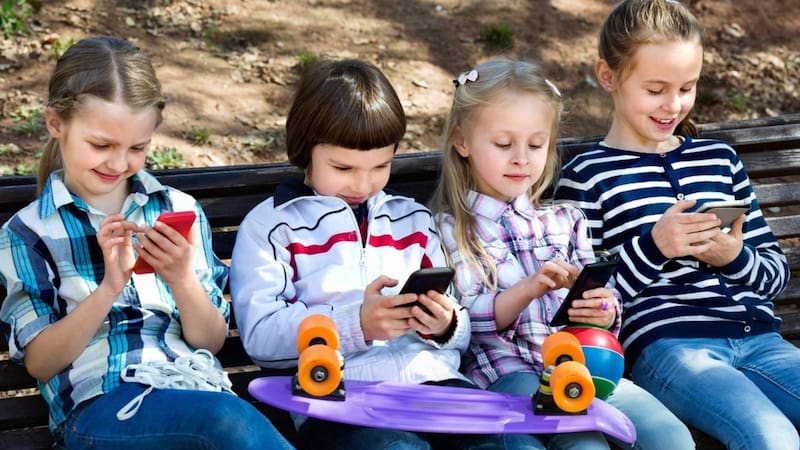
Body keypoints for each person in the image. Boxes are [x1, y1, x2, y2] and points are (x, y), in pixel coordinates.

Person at [230, 58, 541, 450]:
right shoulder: (272, 225)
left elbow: (459, 327)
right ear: (305, 150)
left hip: (437, 387)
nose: (363, 183)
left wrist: (444, 325)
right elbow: (260, 338)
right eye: (343, 167)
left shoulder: (411, 219)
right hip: (338, 397)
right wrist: (355, 324)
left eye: (381, 165)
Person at [0, 37, 293, 450]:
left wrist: (181, 279)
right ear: (55, 124)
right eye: (101, 145)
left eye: (137, 148)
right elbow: (41, 362)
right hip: (101, 409)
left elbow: (209, 341)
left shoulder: (177, 208)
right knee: (226, 423)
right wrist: (108, 289)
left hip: (196, 391)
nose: (119, 163)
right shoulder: (29, 232)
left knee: (221, 419)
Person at [554, 1, 800, 449]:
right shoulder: (587, 176)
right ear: (608, 77)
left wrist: (734, 257)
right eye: (656, 89)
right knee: (774, 440)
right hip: (670, 348)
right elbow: (580, 305)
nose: (674, 104)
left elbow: (774, 275)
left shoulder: (719, 159)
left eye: (687, 87)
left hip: (760, 339)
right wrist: (656, 246)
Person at [430, 58, 695, 450]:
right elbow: (465, 323)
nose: (521, 157)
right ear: (462, 141)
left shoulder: (565, 219)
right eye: (504, 144)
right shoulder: (450, 228)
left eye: (536, 145)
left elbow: (604, 314)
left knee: (673, 439)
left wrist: (603, 309)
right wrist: (528, 289)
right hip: (510, 373)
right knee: (584, 445)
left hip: (584, 367)